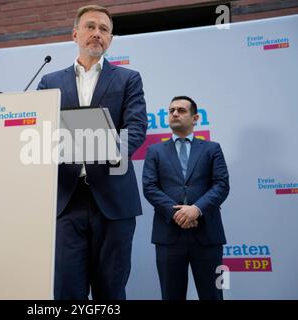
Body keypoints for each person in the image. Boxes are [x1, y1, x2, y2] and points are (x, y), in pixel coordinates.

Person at [37, 5, 147, 300]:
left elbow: (135, 129)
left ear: (110, 39)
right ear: (75, 34)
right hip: (66, 200)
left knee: (110, 290)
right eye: (90, 26)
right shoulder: (50, 82)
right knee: (66, 290)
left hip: (113, 198)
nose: (97, 33)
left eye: (104, 29)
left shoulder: (128, 79)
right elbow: (39, 132)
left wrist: (110, 152)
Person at [142, 96, 230, 300]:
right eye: (171, 110)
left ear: (195, 117)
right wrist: (179, 214)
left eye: (181, 110)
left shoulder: (212, 149)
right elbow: (150, 187)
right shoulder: (154, 150)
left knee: (214, 295)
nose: (174, 114)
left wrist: (196, 209)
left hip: (208, 235)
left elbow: (221, 185)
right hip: (168, 236)